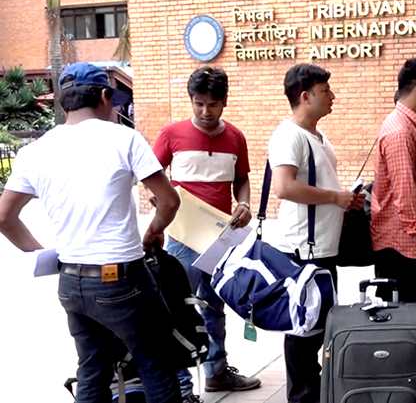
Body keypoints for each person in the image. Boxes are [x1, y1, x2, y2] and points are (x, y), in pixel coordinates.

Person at [0, 63, 183, 403]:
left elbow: (4, 217)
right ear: (104, 96)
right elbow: (170, 202)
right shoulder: (124, 138)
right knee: (155, 365)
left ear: (64, 101)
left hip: (72, 283)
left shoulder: (35, 151)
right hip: (123, 280)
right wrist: (153, 233)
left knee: (91, 372)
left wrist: (48, 256)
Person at [152, 67, 261, 401]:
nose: (205, 112)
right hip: (181, 238)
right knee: (177, 308)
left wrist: (244, 203)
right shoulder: (171, 134)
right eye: (198, 104)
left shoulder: (236, 137)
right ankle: (181, 386)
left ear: (224, 101)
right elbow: (150, 175)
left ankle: (216, 372)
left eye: (213, 104)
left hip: (221, 239)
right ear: (191, 101)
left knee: (214, 306)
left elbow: (241, 179)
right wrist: (159, 199)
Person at [269, 64, 364, 403]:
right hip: (302, 251)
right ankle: (302, 398)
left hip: (322, 250)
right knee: (303, 334)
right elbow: (284, 187)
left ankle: (314, 395)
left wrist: (345, 199)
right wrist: (335, 198)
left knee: (318, 331)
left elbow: (318, 184)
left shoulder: (318, 136)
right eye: (326, 91)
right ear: (305, 96)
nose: (332, 96)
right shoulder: (289, 135)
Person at [372, 57, 416, 303]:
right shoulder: (400, 131)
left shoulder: (411, 126)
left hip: (405, 242)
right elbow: (406, 195)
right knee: (396, 315)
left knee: (402, 310)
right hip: (399, 246)